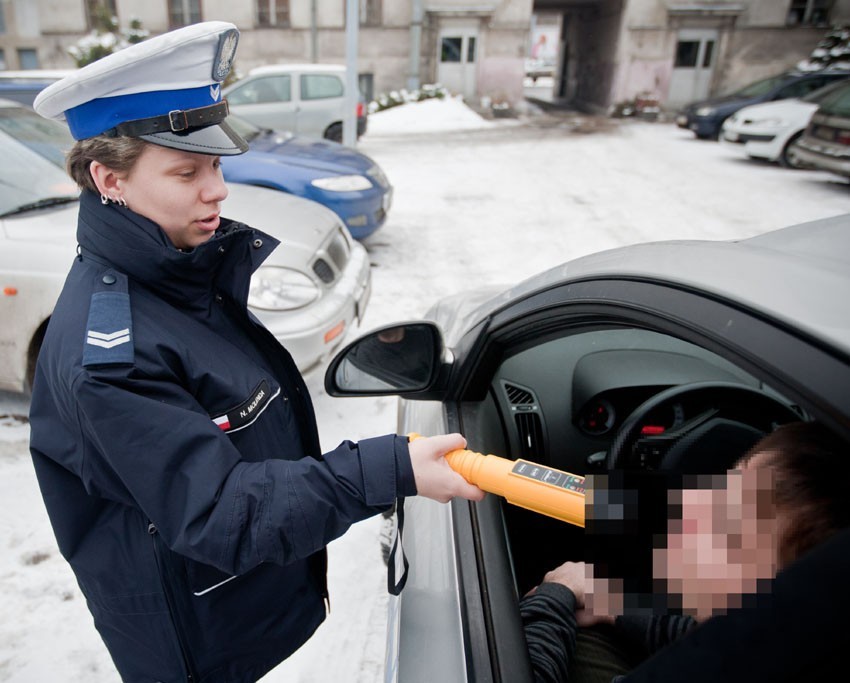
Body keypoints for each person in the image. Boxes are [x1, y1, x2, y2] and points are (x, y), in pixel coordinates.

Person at [28, 22, 483, 683]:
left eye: (215, 165)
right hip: (195, 643)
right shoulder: (112, 354)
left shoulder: (177, 274)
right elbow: (218, 509)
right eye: (187, 171)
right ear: (109, 179)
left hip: (232, 604)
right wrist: (385, 470)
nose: (216, 190)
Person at [520, 421, 850, 682]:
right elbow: (703, 634)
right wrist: (612, 604)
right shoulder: (754, 649)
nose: (692, 503)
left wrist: (552, 598)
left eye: (728, 532)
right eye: (723, 485)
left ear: (781, 610)